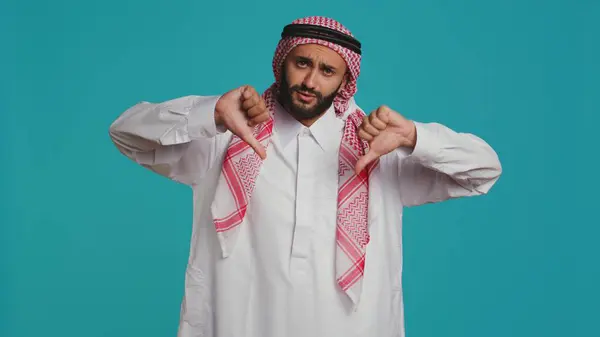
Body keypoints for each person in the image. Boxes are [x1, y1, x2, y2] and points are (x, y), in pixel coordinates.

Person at [109, 16, 502, 337]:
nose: (311, 81)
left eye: (327, 70)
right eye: (302, 64)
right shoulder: (225, 139)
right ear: (281, 63)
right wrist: (209, 113)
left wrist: (415, 137)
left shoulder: (380, 149)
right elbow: (126, 133)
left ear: (345, 82)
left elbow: (483, 170)